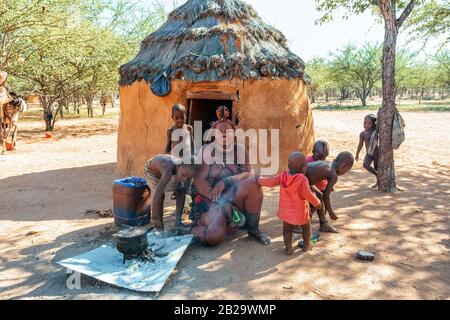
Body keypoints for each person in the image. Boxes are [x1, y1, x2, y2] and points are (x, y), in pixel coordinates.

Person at [190, 119, 270, 246]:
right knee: (213, 237)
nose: (224, 134)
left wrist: (225, 181)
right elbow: (199, 181)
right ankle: (197, 228)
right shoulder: (207, 150)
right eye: (220, 131)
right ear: (213, 134)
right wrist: (221, 201)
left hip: (233, 197)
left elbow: (249, 174)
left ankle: (253, 230)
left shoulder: (240, 150)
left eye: (228, 131)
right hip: (210, 200)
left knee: (254, 184)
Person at [258, 152, 322, 255]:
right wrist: (317, 203)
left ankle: (288, 249)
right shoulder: (302, 179)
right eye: (305, 165)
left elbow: (271, 181)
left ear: (288, 165)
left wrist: (260, 180)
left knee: (287, 231)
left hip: (286, 213)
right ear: (302, 168)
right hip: (301, 212)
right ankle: (306, 246)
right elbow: (308, 194)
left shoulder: (283, 176)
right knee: (306, 228)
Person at [143, 154, 200, 231]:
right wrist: (154, 217)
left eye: (188, 177)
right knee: (161, 194)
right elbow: (157, 194)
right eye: (184, 175)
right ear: (179, 165)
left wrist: (176, 188)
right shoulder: (168, 170)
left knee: (182, 189)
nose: (185, 179)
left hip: (168, 172)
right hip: (152, 172)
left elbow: (180, 178)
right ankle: (157, 222)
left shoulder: (182, 169)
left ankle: (178, 222)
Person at [305, 152, 354, 233]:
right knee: (315, 202)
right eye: (346, 171)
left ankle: (323, 225)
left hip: (303, 178)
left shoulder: (329, 164)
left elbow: (323, 194)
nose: (344, 173)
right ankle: (299, 225)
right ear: (343, 166)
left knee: (319, 196)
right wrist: (331, 213)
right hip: (300, 180)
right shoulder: (333, 175)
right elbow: (326, 196)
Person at [164, 104, 195, 200]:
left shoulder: (189, 128)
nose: (180, 120)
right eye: (177, 118)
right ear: (172, 117)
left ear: (186, 115)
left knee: (191, 171)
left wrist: (194, 155)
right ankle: (176, 190)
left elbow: (192, 142)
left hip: (187, 156)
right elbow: (169, 145)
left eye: (182, 117)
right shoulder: (171, 130)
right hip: (176, 157)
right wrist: (164, 156)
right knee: (179, 171)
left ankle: (188, 190)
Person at [355, 114, 379, 188]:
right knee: (365, 165)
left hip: (377, 153)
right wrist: (357, 154)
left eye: (369, 123)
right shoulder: (362, 134)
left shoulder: (375, 132)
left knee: (376, 167)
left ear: (373, 124)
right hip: (369, 153)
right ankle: (378, 174)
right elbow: (360, 145)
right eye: (365, 122)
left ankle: (378, 182)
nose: (366, 125)